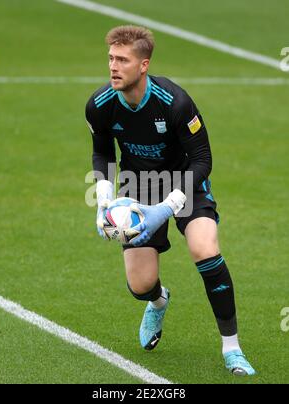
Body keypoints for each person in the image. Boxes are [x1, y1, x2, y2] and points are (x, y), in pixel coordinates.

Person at [85, 25, 255, 376]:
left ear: (143, 65)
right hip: (137, 186)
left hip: (186, 182)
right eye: (110, 59)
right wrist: (104, 197)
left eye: (122, 60)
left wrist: (168, 206)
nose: (113, 67)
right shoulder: (100, 105)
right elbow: (102, 153)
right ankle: (159, 301)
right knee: (140, 285)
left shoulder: (175, 102)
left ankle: (232, 348)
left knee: (204, 248)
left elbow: (203, 160)